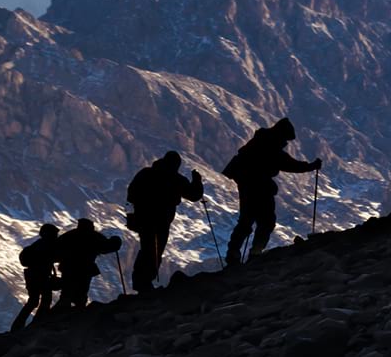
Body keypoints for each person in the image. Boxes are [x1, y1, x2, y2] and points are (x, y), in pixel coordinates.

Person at [222, 117, 321, 266]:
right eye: (286, 139)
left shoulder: (261, 141)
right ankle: (255, 253)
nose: (286, 143)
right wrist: (311, 166)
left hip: (247, 185)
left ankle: (233, 254)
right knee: (266, 221)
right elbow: (289, 164)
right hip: (259, 186)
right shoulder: (270, 145)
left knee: (247, 220)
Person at [126, 151, 204, 292]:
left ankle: (140, 281)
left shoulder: (145, 174)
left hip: (143, 219)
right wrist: (197, 181)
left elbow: (131, 194)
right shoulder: (176, 179)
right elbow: (194, 195)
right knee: (155, 251)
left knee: (147, 248)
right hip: (161, 221)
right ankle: (145, 282)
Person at [52, 218, 122, 312]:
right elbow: (106, 247)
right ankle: (79, 309)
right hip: (86, 268)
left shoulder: (70, 235)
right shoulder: (94, 236)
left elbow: (56, 249)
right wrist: (116, 242)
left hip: (68, 268)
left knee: (67, 290)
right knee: (82, 290)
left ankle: (62, 311)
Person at [10, 223, 59, 331]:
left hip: (31, 276)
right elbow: (53, 258)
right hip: (40, 276)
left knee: (33, 301)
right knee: (46, 299)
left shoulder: (38, 244)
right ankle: (37, 323)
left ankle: (17, 327)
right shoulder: (47, 245)